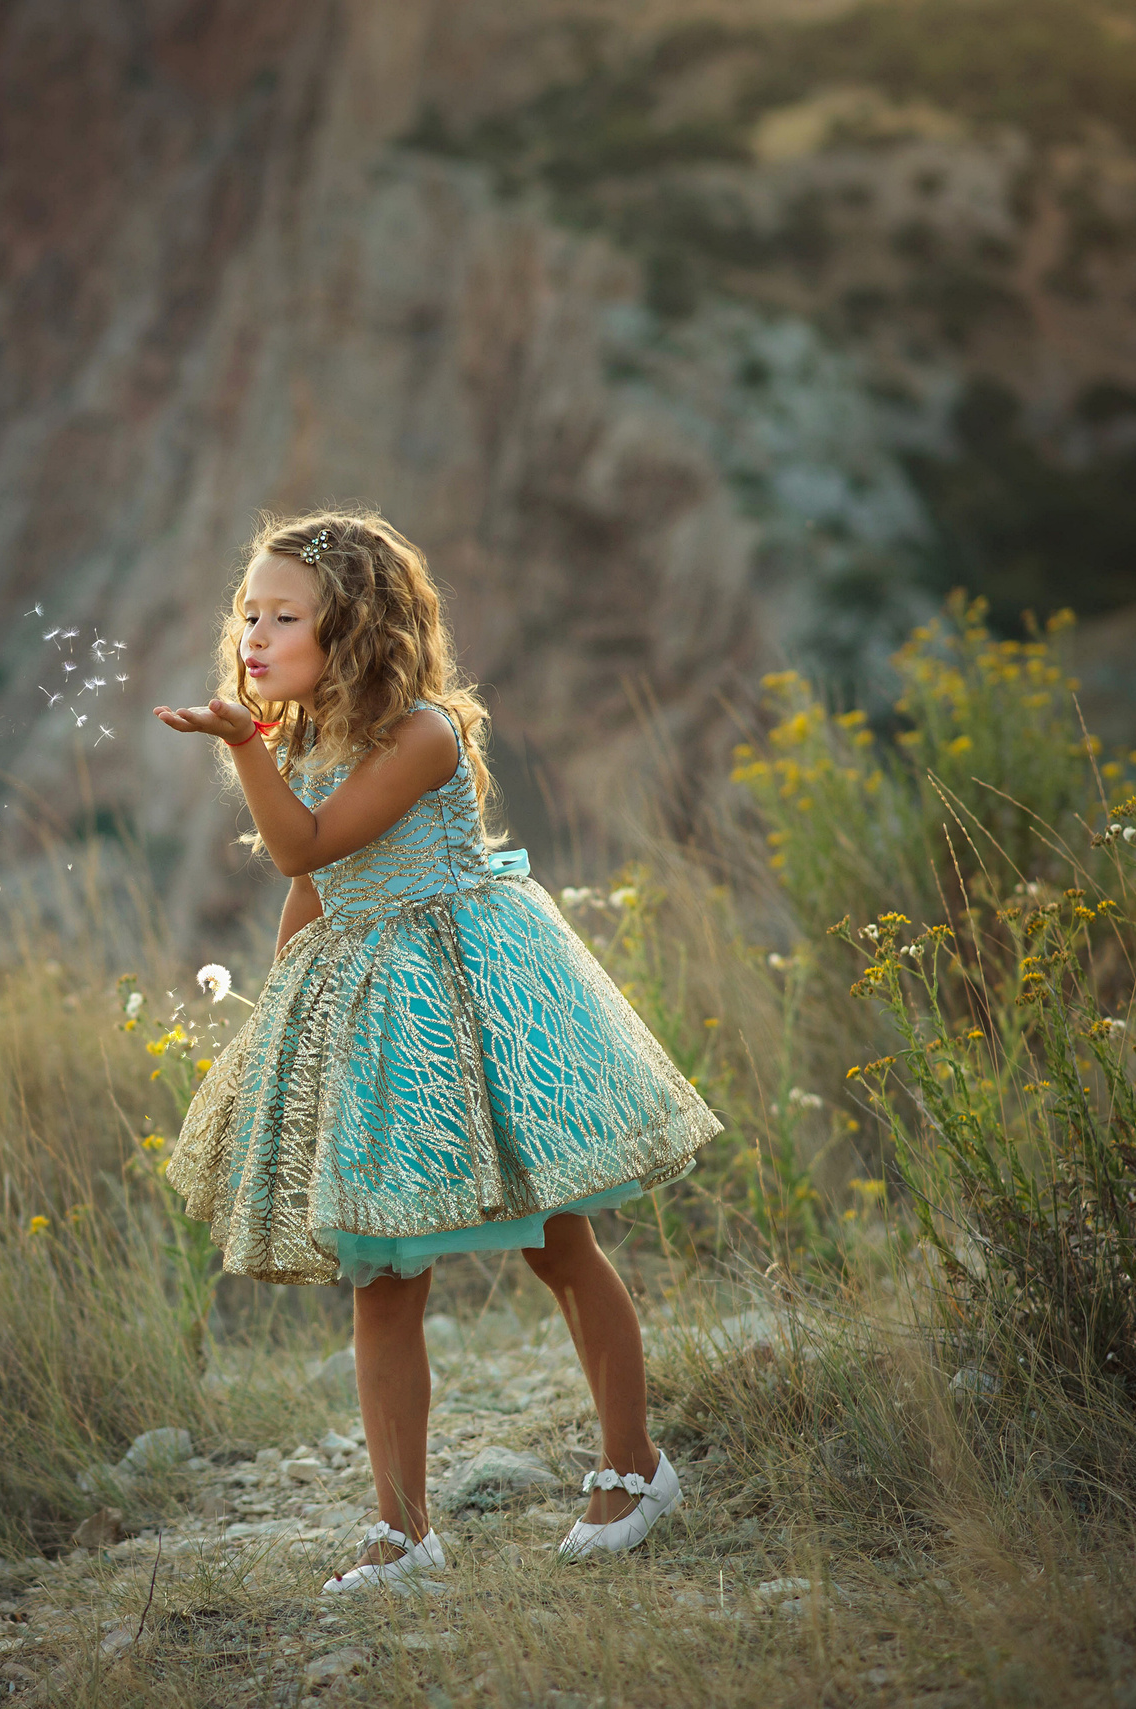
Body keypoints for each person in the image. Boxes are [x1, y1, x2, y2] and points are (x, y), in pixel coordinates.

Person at [153, 510, 720, 1591]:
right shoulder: (301, 738)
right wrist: (286, 1019)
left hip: (470, 1000)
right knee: (382, 1272)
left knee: (557, 1240)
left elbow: (300, 845)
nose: (255, 634)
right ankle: (403, 1529)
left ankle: (636, 1465)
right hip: (371, 1017)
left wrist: (240, 745)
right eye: (249, 612)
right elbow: (314, 896)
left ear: (356, 627)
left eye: (285, 616)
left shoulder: (420, 733)